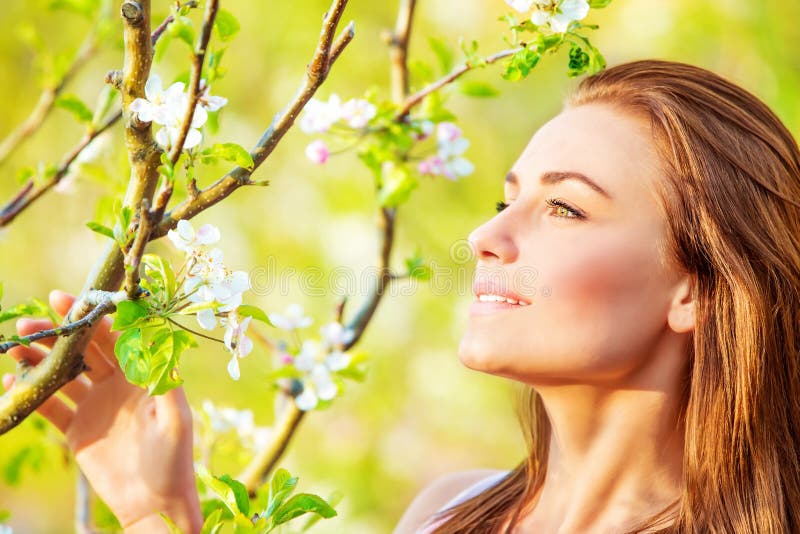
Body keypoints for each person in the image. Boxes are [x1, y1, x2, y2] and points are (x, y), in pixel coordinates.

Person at [5, 58, 800, 533]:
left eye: (565, 207)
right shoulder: (447, 513)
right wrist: (156, 513)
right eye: (504, 199)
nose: (488, 238)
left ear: (695, 290)